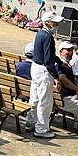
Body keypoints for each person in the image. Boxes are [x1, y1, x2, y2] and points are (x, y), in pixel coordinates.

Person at [27, 10, 64, 138]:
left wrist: (59, 61)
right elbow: (48, 60)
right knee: (45, 101)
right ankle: (41, 129)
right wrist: (56, 77)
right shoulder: (48, 37)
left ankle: (30, 122)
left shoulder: (40, 33)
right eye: (55, 23)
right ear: (48, 23)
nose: (57, 25)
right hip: (43, 70)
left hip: (36, 67)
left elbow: (48, 55)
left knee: (35, 98)